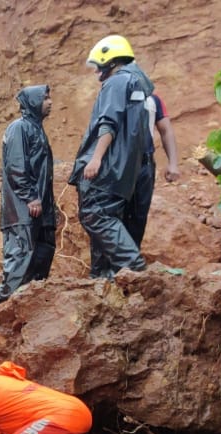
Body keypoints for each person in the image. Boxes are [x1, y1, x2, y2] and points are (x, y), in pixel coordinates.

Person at [70, 34, 152, 278]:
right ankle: (101, 279)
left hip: (109, 167)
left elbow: (108, 122)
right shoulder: (138, 84)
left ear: (110, 61)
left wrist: (96, 159)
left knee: (95, 214)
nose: (97, 74)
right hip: (125, 170)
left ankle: (134, 267)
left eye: (98, 67)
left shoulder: (117, 83)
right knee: (108, 219)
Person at [0, 85, 57, 304]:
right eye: (45, 98)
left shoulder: (37, 129)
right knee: (19, 266)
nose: (50, 102)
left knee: (40, 263)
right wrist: (30, 196)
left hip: (40, 213)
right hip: (22, 213)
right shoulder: (19, 128)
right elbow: (16, 166)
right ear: (33, 102)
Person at [123, 91, 182, 248]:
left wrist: (173, 163)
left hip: (144, 164)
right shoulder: (114, 94)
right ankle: (113, 264)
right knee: (116, 214)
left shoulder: (153, 99)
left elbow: (166, 130)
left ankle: (131, 261)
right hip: (119, 165)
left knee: (139, 215)